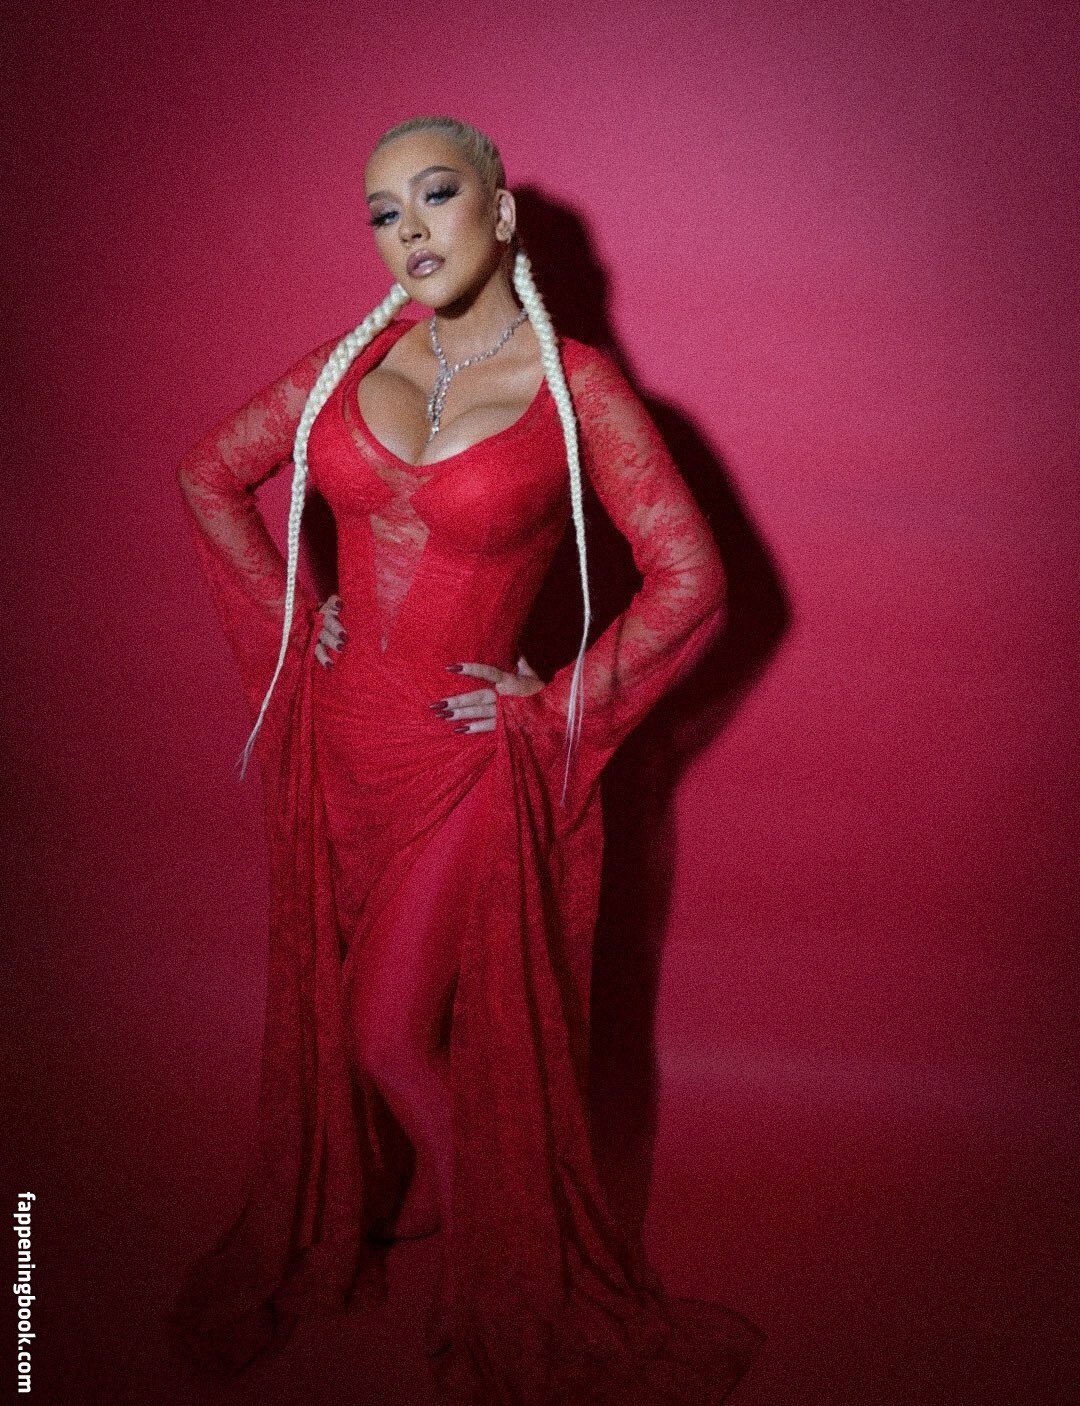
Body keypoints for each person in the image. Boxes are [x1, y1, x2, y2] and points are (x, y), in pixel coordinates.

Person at [170, 114, 764, 1403]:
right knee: (343, 1023)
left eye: (434, 196)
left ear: (499, 211)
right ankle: (446, 1199)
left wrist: (557, 702)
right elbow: (209, 475)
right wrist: (296, 613)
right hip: (340, 750)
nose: (409, 231)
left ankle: (499, 1273)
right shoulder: (350, 364)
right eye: (383, 214)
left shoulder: (576, 387)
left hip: (462, 762)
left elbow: (693, 578)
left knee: (387, 1032)